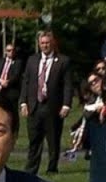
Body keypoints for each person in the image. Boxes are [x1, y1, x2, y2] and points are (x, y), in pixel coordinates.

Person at [20, 32, 74, 174]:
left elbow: (68, 85)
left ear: (52, 43)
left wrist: (66, 104)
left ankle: (52, 168)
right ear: (39, 44)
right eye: (42, 43)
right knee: (34, 140)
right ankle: (31, 168)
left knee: (53, 140)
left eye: (47, 43)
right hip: (34, 105)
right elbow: (26, 82)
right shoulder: (32, 60)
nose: (45, 45)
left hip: (53, 106)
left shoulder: (63, 61)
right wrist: (23, 103)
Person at [0, 43, 24, 138]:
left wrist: (7, 82)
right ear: (5, 52)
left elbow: (16, 76)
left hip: (11, 93)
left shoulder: (18, 62)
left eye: (12, 50)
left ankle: (14, 131)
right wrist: (0, 81)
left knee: (12, 113)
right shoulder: (0, 62)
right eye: (8, 50)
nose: (11, 52)